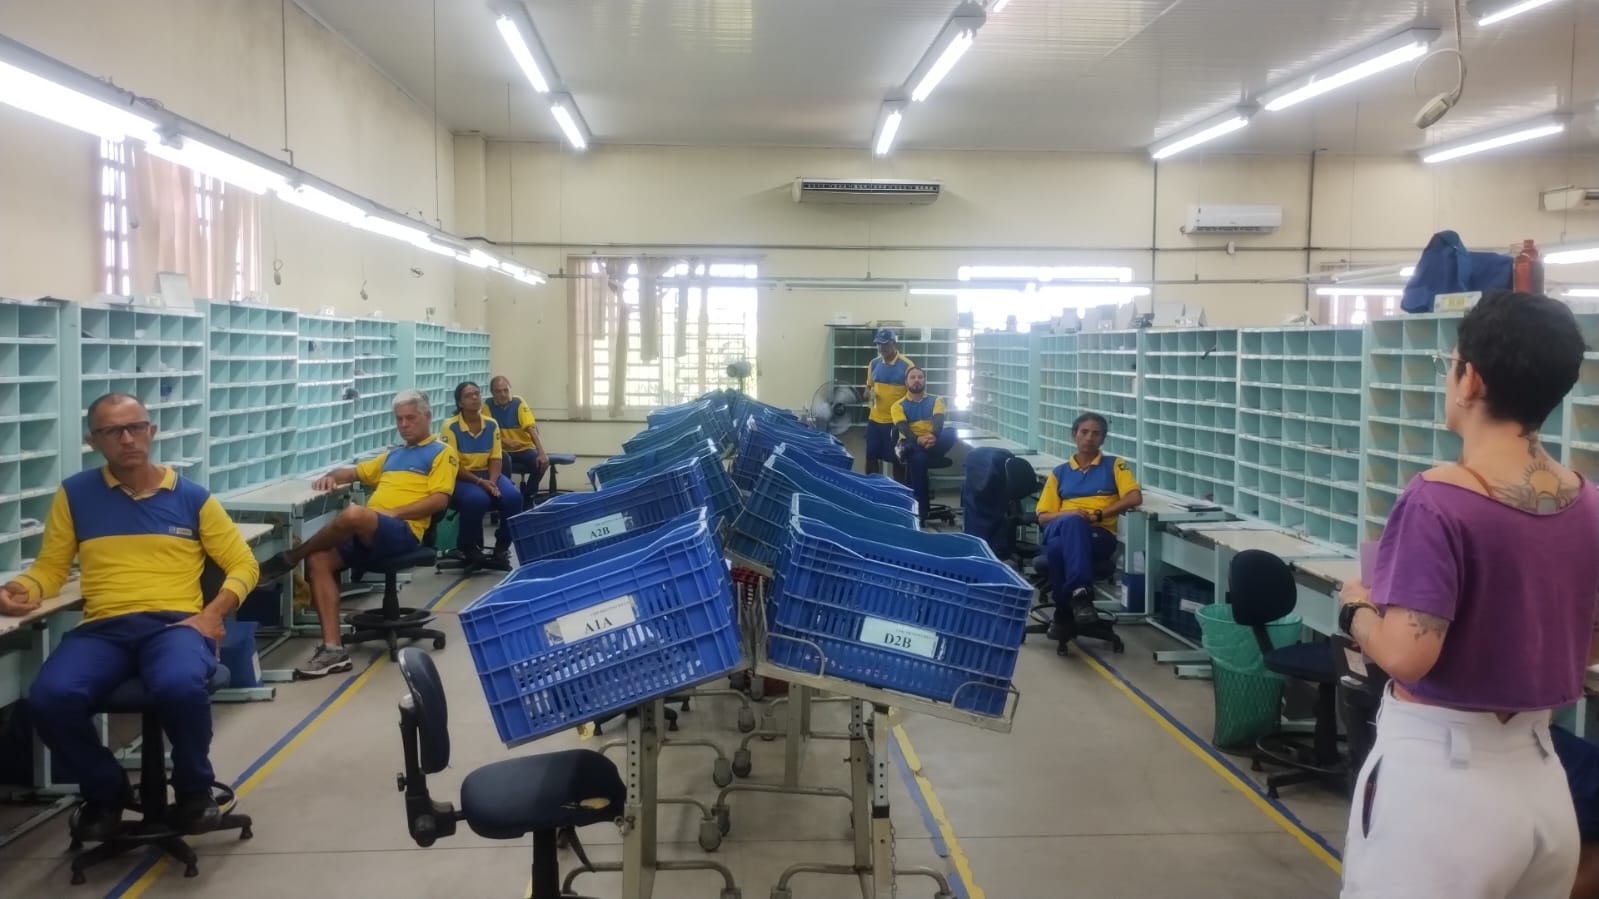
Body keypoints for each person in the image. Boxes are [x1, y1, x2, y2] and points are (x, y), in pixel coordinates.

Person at [1336, 291, 1599, 898]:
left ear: (1470, 378)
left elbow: (1409, 655)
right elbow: (1586, 642)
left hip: (1442, 786)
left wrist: (1356, 609)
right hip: (1542, 781)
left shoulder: (1438, 498)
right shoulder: (1587, 502)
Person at [0, 393, 258, 840]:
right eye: (112, 431)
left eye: (136, 427)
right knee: (50, 696)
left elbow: (244, 564)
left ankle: (193, 790)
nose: (127, 439)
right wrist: (20, 590)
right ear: (93, 441)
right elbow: (51, 569)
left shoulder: (192, 497)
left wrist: (212, 614)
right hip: (103, 628)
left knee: (178, 684)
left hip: (176, 624)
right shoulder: (75, 495)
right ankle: (106, 792)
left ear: (151, 431)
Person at [258, 389, 457, 678]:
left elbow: (440, 500)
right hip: (372, 531)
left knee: (353, 514)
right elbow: (351, 473)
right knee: (319, 560)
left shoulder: (441, 453)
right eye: (399, 419)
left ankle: (291, 556)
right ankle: (333, 651)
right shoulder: (393, 455)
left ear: (427, 417)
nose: (404, 425)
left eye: (410, 418)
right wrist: (330, 477)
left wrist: (395, 513)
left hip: (404, 532)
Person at [1035, 413, 1141, 638]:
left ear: (1103, 438)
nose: (1089, 438)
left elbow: (1134, 497)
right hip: (1061, 526)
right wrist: (1071, 514)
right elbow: (1043, 517)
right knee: (1073, 522)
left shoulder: (1115, 465)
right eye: (1084, 432)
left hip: (1098, 534)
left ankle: (1063, 614)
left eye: (1096, 433)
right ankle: (1081, 594)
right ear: (1074, 435)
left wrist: (1098, 515)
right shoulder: (1059, 472)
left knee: (1057, 550)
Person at [441, 380, 523, 567]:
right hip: (462, 477)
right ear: (460, 402)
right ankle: (468, 547)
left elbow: (496, 458)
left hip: (489, 474)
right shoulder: (450, 426)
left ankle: (502, 547)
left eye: (477, 394)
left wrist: (491, 482)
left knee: (514, 497)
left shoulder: (491, 424)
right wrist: (480, 482)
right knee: (478, 499)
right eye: (468, 395)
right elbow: (453, 465)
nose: (475, 398)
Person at [890, 366, 955, 523]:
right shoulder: (898, 405)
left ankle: (920, 510)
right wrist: (918, 440)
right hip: (912, 443)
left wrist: (933, 436)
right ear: (906, 382)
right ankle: (922, 510)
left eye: (920, 377)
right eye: (912, 377)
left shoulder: (937, 400)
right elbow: (903, 428)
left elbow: (938, 423)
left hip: (933, 442)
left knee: (951, 432)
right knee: (917, 458)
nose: (917, 380)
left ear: (925, 380)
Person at [486, 375, 549, 502]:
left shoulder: (518, 402)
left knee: (540, 462)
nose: (503, 394)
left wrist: (542, 453)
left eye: (506, 390)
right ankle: (506, 498)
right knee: (504, 460)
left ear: (510, 389)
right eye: (498, 391)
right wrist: (505, 441)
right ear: (492, 393)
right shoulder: (487, 406)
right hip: (501, 451)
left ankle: (528, 497)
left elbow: (531, 429)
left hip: (523, 448)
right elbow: (487, 432)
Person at [863, 328, 913, 477]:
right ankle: (871, 488)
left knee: (897, 460)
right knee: (870, 457)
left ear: (894, 343)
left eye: (885, 343)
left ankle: (898, 491)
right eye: (879, 344)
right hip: (875, 420)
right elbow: (869, 386)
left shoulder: (907, 365)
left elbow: (913, 395)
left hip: (895, 422)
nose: (882, 347)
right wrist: (867, 392)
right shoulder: (874, 363)